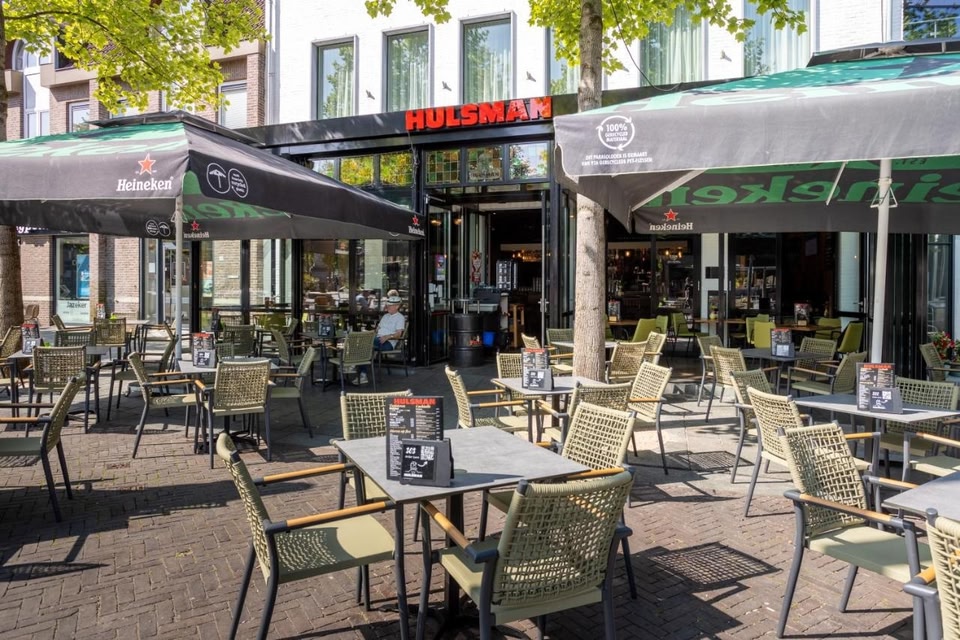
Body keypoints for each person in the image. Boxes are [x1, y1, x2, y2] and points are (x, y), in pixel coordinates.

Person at [356, 289, 405, 385]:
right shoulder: (385, 316)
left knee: (363, 344)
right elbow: (377, 330)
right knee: (363, 344)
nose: (387, 307)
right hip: (378, 339)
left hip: (388, 342)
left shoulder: (400, 317)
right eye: (388, 305)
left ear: (397, 306)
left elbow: (399, 334)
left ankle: (357, 369)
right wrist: (369, 333)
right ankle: (361, 372)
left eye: (390, 305)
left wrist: (387, 337)